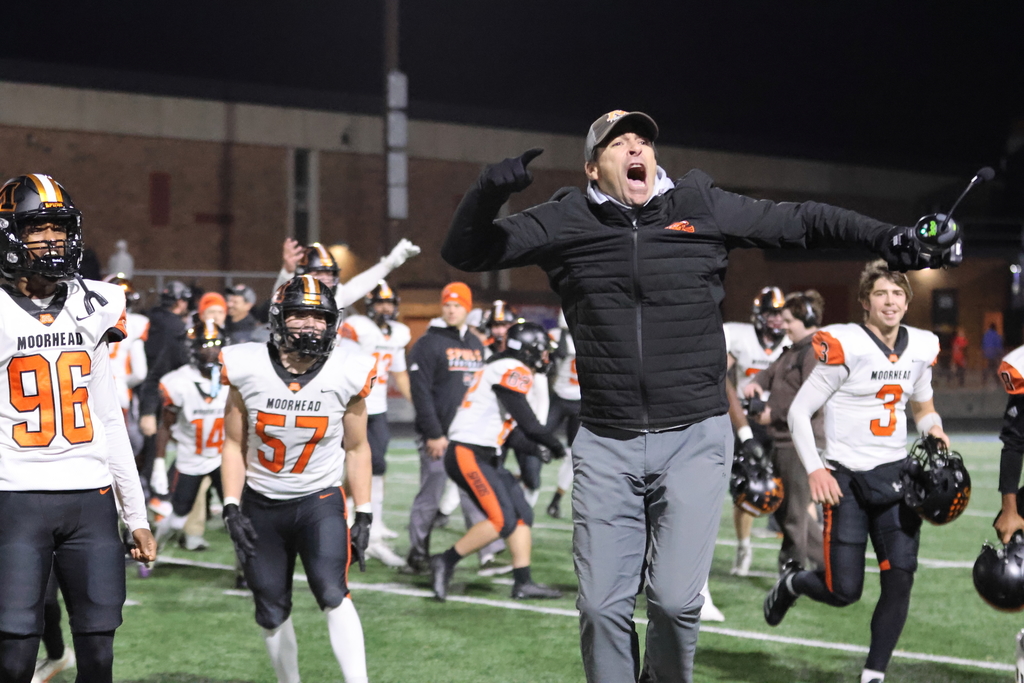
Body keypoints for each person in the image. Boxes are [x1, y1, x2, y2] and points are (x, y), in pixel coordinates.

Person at [441, 109, 957, 683]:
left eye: (643, 140)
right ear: (593, 167)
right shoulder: (567, 217)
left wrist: (890, 238)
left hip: (694, 437)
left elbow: (803, 220)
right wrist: (488, 191)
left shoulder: (698, 204)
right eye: (619, 143)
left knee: (675, 602)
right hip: (607, 442)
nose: (637, 147)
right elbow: (467, 251)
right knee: (599, 607)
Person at [0, 173, 156, 683]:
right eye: (37, 227)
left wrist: (136, 514)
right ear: (8, 235)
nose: (53, 238)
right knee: (14, 656)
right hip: (15, 496)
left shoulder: (97, 302)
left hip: (91, 500)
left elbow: (109, 416)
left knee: (99, 655)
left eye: (60, 227)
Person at [766, 261, 947, 683]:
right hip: (844, 479)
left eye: (898, 294)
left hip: (894, 478)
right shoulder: (847, 343)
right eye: (881, 294)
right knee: (844, 590)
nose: (891, 301)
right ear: (866, 302)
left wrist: (933, 429)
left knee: (899, 579)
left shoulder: (920, 346)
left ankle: (873, 675)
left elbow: (922, 404)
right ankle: (792, 584)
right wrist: (816, 470)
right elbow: (798, 412)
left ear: (907, 301)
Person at [219, 275, 376, 683]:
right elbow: (233, 444)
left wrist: (364, 512)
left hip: (317, 500)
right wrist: (231, 505)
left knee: (331, 591)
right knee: (270, 608)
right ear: (279, 318)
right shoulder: (247, 366)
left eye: (318, 316)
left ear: (332, 322)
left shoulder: (348, 370)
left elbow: (357, 449)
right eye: (299, 314)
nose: (309, 325)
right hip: (261, 502)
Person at [431, 321, 565, 601]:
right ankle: (445, 560)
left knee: (521, 515)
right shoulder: (511, 370)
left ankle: (523, 582)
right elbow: (528, 422)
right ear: (527, 350)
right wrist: (556, 446)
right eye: (540, 351)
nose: (544, 358)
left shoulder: (501, 367)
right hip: (468, 451)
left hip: (483, 452)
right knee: (501, 520)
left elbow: (510, 431)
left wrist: (534, 448)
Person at [743, 290, 826, 573]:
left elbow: (810, 397)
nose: (783, 325)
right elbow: (770, 373)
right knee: (790, 510)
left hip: (799, 442)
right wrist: (755, 382)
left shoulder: (815, 351)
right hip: (784, 439)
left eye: (789, 320)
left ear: (807, 319)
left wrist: (772, 413)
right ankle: (830, 565)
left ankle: (791, 573)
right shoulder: (795, 349)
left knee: (792, 514)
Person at [405, 282, 486, 573]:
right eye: (448, 304)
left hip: (468, 436)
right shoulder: (428, 343)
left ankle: (485, 553)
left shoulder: (476, 345)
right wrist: (434, 433)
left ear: (467, 307)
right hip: (438, 436)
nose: (452, 309)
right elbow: (421, 392)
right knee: (431, 495)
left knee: (475, 493)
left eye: (458, 305)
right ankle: (417, 553)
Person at [339, 280, 412, 567]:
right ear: (370, 305)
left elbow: (400, 373)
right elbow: (342, 361)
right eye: (380, 302)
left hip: (378, 408)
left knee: (378, 465)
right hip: (354, 405)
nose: (385, 308)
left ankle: (374, 525)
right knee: (349, 467)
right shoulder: (357, 326)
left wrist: (418, 404)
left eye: (389, 303)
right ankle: (345, 519)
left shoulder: (398, 333)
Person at [725, 286, 790, 577]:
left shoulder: (792, 341)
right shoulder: (740, 337)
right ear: (759, 315)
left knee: (792, 489)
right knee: (747, 487)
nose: (776, 320)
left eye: (779, 313)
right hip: (746, 422)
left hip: (779, 422)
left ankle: (793, 551)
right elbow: (718, 373)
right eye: (770, 313)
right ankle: (743, 545)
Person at [153, 319, 229, 550]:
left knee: (238, 517)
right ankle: (151, 554)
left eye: (216, 344)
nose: (212, 351)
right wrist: (158, 462)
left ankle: (243, 573)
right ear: (193, 348)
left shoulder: (233, 377)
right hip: (190, 459)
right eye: (205, 344)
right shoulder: (178, 381)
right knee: (177, 521)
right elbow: (165, 425)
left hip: (223, 457)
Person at [138, 279, 193, 505]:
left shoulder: (149, 319)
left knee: (149, 450)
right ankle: (159, 496)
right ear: (180, 302)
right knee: (164, 451)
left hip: (141, 387)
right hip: (168, 392)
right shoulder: (177, 329)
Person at [274, 238, 420, 308]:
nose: (325, 278)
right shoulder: (292, 296)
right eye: (318, 272)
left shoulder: (337, 296)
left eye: (329, 273)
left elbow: (360, 284)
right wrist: (287, 271)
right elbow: (280, 296)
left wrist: (389, 263)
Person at [545, 310, 580, 520]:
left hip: (574, 401)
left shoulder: (555, 336)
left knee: (574, 454)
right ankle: (554, 500)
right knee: (538, 439)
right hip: (561, 398)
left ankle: (557, 499)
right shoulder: (557, 337)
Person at [982, 323, 1005, 388]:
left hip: (987, 353)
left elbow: (983, 343)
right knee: (994, 367)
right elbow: (999, 345)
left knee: (990, 366)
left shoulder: (986, 335)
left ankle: (984, 379)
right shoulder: (996, 335)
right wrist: (1001, 354)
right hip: (993, 353)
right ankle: (997, 381)